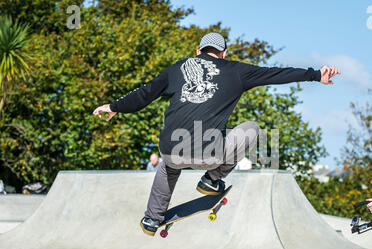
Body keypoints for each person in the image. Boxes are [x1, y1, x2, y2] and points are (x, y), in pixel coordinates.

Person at [93, 32, 341, 236]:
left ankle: (151, 218)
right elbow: (276, 74)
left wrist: (115, 107)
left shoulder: (177, 68)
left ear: (197, 51)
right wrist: (316, 75)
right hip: (209, 152)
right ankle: (211, 180)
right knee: (252, 129)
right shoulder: (236, 70)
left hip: (172, 149)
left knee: (169, 164)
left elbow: (144, 93)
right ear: (224, 54)